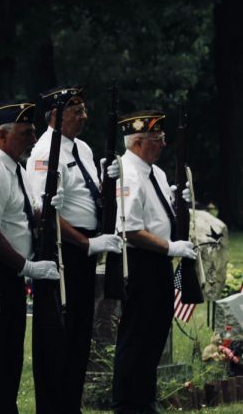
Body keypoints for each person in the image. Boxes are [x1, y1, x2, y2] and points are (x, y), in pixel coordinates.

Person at [25, 86, 123, 414]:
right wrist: (84, 242)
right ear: (56, 115)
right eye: (76, 111)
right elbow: (44, 213)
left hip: (85, 249)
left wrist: (111, 182)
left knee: (80, 333)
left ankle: (70, 404)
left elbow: (90, 195)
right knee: (56, 334)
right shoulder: (43, 152)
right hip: (61, 249)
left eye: (83, 109)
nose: (84, 117)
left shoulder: (81, 148)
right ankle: (52, 406)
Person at [0, 101, 59, 414]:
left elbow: (21, 215)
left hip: (11, 272)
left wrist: (46, 209)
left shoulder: (15, 167)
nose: (33, 139)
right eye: (25, 133)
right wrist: (26, 266)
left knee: (9, 354)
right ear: (2, 135)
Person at [108, 111, 197, 414]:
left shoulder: (154, 172)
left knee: (155, 334)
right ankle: (126, 403)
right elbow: (130, 229)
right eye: (156, 140)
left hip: (158, 262)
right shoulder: (129, 173)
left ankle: (145, 400)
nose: (163, 144)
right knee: (136, 336)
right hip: (140, 261)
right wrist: (171, 246)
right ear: (137, 143)